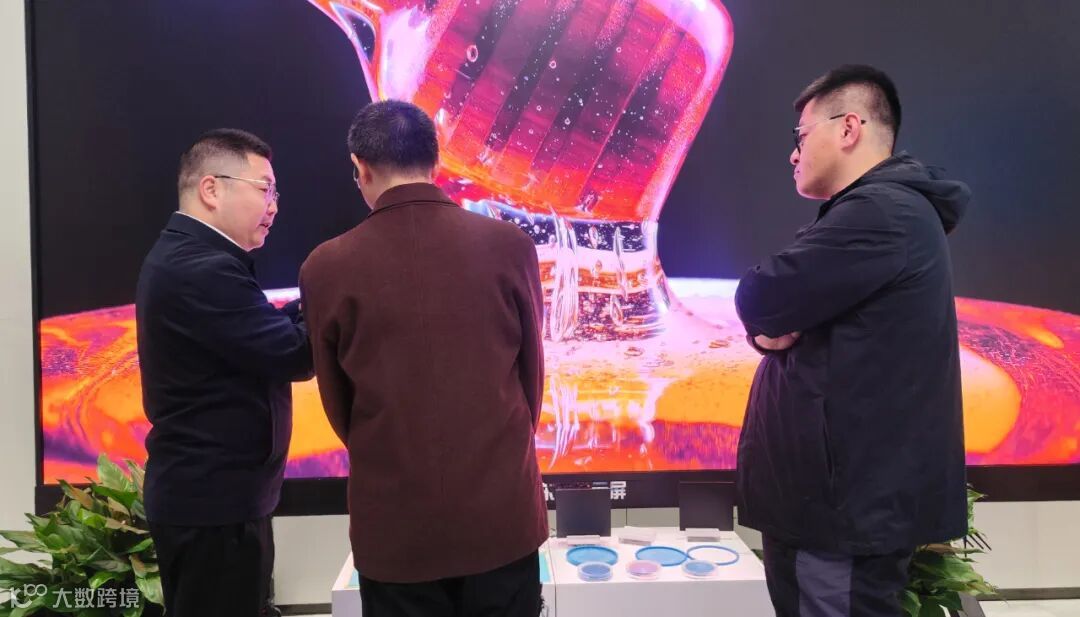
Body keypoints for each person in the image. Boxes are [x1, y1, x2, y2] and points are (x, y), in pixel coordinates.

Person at [734, 65, 971, 616]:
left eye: (801, 136)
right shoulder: (884, 211)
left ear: (848, 128)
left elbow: (761, 296)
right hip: (836, 510)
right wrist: (769, 331)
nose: (793, 154)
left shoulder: (880, 213)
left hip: (840, 516)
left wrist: (768, 324)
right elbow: (778, 314)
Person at [300, 100, 547, 617]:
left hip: (395, 527)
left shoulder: (326, 267)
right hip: (501, 518)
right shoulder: (510, 245)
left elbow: (338, 404)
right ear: (436, 161)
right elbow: (531, 380)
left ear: (360, 167)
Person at [136, 129, 313, 617]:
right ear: (211, 189)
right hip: (212, 508)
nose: (274, 206)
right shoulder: (199, 268)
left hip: (221, 502)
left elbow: (263, 335)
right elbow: (293, 353)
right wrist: (333, 291)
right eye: (265, 189)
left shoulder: (197, 259)